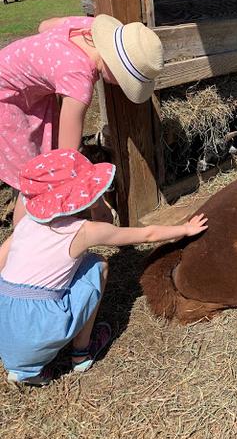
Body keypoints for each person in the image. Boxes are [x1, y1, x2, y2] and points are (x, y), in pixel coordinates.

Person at [0, 149, 208, 386]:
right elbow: (146, 234)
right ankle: (81, 353)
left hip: (5, 325)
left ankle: (26, 368)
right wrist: (185, 229)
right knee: (97, 265)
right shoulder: (84, 231)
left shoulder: (25, 224)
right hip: (40, 329)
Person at [0, 13, 164, 225]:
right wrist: (97, 205)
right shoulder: (78, 79)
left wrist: (43, 65)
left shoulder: (87, 27)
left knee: (41, 160)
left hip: (21, 86)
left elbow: (44, 25)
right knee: (35, 178)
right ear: (114, 69)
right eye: (125, 81)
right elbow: (65, 156)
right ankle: (24, 240)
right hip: (7, 100)